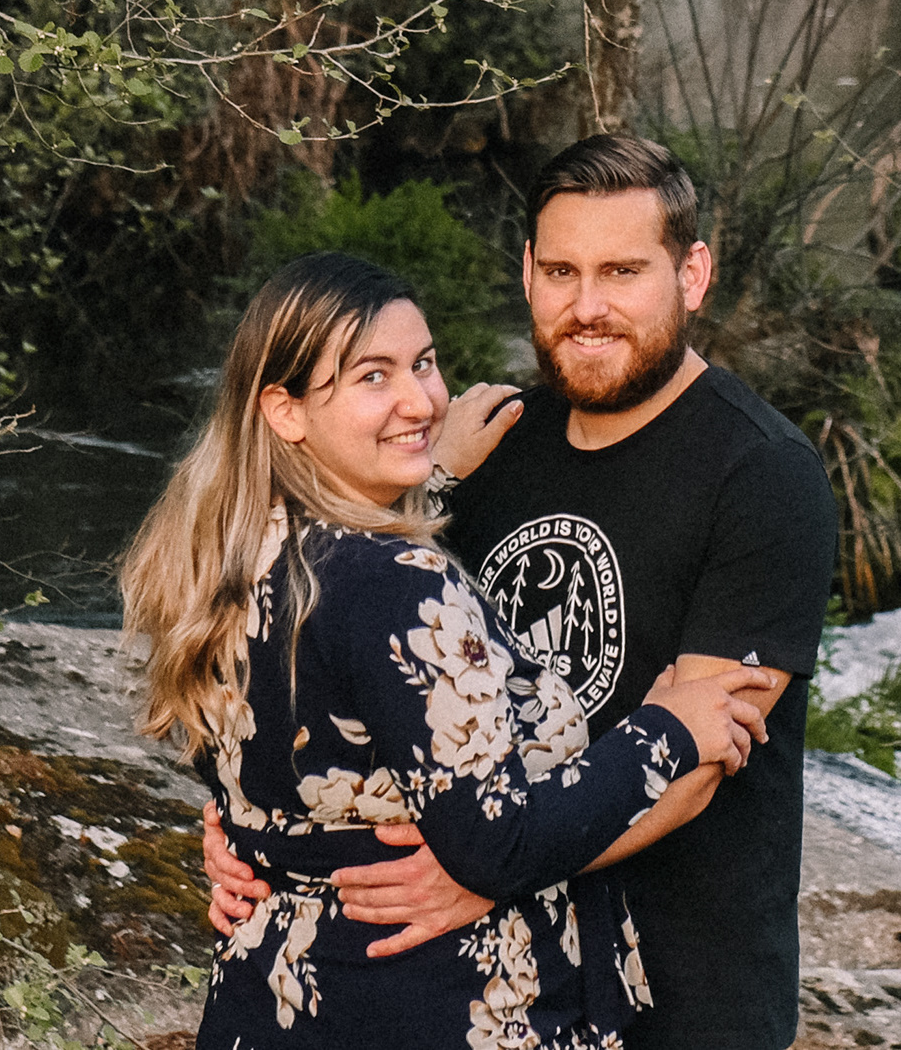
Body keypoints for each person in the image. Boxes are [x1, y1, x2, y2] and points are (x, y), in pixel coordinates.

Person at [203, 139, 839, 1050]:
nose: (587, 307)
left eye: (623, 272)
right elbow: (345, 653)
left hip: (682, 985)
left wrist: (483, 871)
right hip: (504, 991)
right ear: (529, 272)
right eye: (562, 272)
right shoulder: (482, 445)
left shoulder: (763, 474)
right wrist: (254, 823)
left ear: (691, 275)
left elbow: (703, 755)